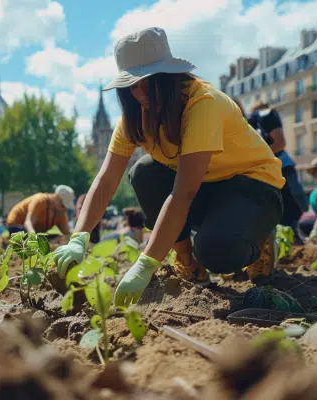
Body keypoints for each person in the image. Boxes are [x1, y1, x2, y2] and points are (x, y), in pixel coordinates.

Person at [52, 27, 284, 307]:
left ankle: (258, 242)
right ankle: (188, 262)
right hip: (206, 190)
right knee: (144, 171)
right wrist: (80, 236)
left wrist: (145, 263)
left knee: (217, 253)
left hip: (253, 189)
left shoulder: (201, 104)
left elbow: (184, 192)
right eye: (132, 85)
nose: (139, 93)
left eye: (147, 83)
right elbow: (106, 179)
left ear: (169, 77)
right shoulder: (134, 118)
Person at [248, 101, 307, 243]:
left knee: (290, 202)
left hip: (281, 167)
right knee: (281, 206)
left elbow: (280, 142)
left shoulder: (266, 117)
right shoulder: (261, 126)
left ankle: (294, 238)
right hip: (275, 168)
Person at [6, 185, 74, 235]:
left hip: (35, 230)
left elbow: (66, 232)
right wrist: (34, 237)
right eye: (62, 204)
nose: (64, 208)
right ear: (56, 197)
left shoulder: (61, 210)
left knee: (56, 237)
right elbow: (28, 223)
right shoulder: (40, 200)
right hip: (17, 226)